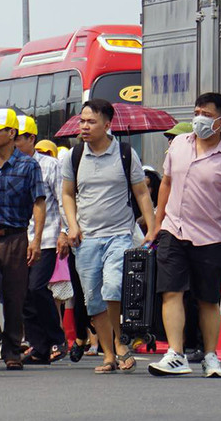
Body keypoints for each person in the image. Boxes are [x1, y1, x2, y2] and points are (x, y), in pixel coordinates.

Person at [148, 93, 221, 378]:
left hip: (210, 236)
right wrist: (157, 224)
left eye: (205, 113)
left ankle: (209, 356)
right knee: (171, 291)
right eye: (196, 112)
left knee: (207, 299)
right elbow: (166, 183)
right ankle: (175, 354)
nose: (199, 118)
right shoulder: (180, 144)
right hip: (173, 229)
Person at [61, 100, 155, 374]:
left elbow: (141, 193)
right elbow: (67, 194)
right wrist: (72, 226)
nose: (85, 127)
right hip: (86, 239)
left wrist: (152, 227)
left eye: (91, 122)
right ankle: (108, 355)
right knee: (93, 300)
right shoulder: (74, 156)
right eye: (82, 121)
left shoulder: (125, 153)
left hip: (119, 235)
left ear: (107, 124)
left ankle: (120, 343)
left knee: (113, 288)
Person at [0, 108, 47, 371]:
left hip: (16, 238)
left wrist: (36, 240)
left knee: (15, 298)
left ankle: (12, 350)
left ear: (11, 133)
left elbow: (39, 202)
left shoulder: (29, 165)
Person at [18, 114, 67, 365]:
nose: (13, 142)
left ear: (31, 138)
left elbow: (62, 200)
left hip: (46, 237)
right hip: (19, 239)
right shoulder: (10, 165)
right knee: (24, 294)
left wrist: (64, 232)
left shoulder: (49, 165)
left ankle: (57, 338)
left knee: (38, 287)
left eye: (18, 138)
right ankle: (39, 346)